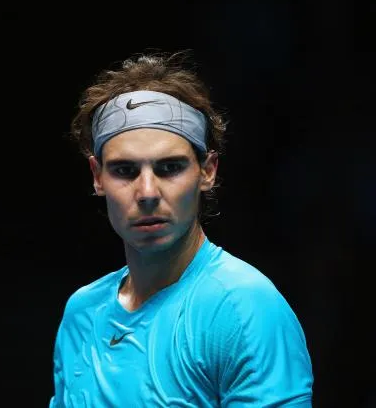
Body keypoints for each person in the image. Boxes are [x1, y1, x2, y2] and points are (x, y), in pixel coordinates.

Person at [49, 50, 313, 407]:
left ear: (207, 171)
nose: (147, 193)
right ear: (97, 176)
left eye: (170, 167)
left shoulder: (246, 309)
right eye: (125, 170)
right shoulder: (81, 312)